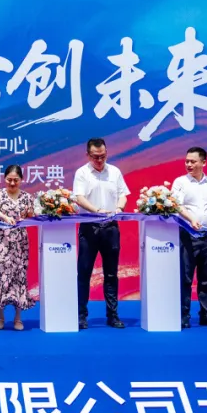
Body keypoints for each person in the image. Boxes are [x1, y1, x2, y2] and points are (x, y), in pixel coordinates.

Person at [72, 137, 130, 329]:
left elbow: (123, 194)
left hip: (111, 228)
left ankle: (113, 315)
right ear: (88, 155)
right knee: (84, 273)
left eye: (102, 156)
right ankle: (81, 315)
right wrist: (97, 210)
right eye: (95, 157)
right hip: (89, 227)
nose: (99, 160)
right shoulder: (82, 173)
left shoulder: (114, 172)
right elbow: (79, 197)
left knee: (111, 274)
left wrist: (119, 208)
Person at [172, 146, 207, 329]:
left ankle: (206, 314)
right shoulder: (180, 182)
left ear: (203, 163)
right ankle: (183, 315)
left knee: (205, 279)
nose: (188, 164)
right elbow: (177, 206)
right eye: (187, 161)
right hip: (188, 235)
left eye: (193, 161)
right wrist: (191, 219)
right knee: (186, 278)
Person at [0, 165, 35, 330]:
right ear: (4, 178)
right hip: (1, 240)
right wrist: (5, 217)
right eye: (9, 180)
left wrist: (35, 211)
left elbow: (31, 215)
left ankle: (18, 318)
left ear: (21, 180)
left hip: (19, 242)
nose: (12, 183)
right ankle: (0, 317)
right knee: (0, 274)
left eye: (16, 180)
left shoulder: (27, 197)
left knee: (18, 275)